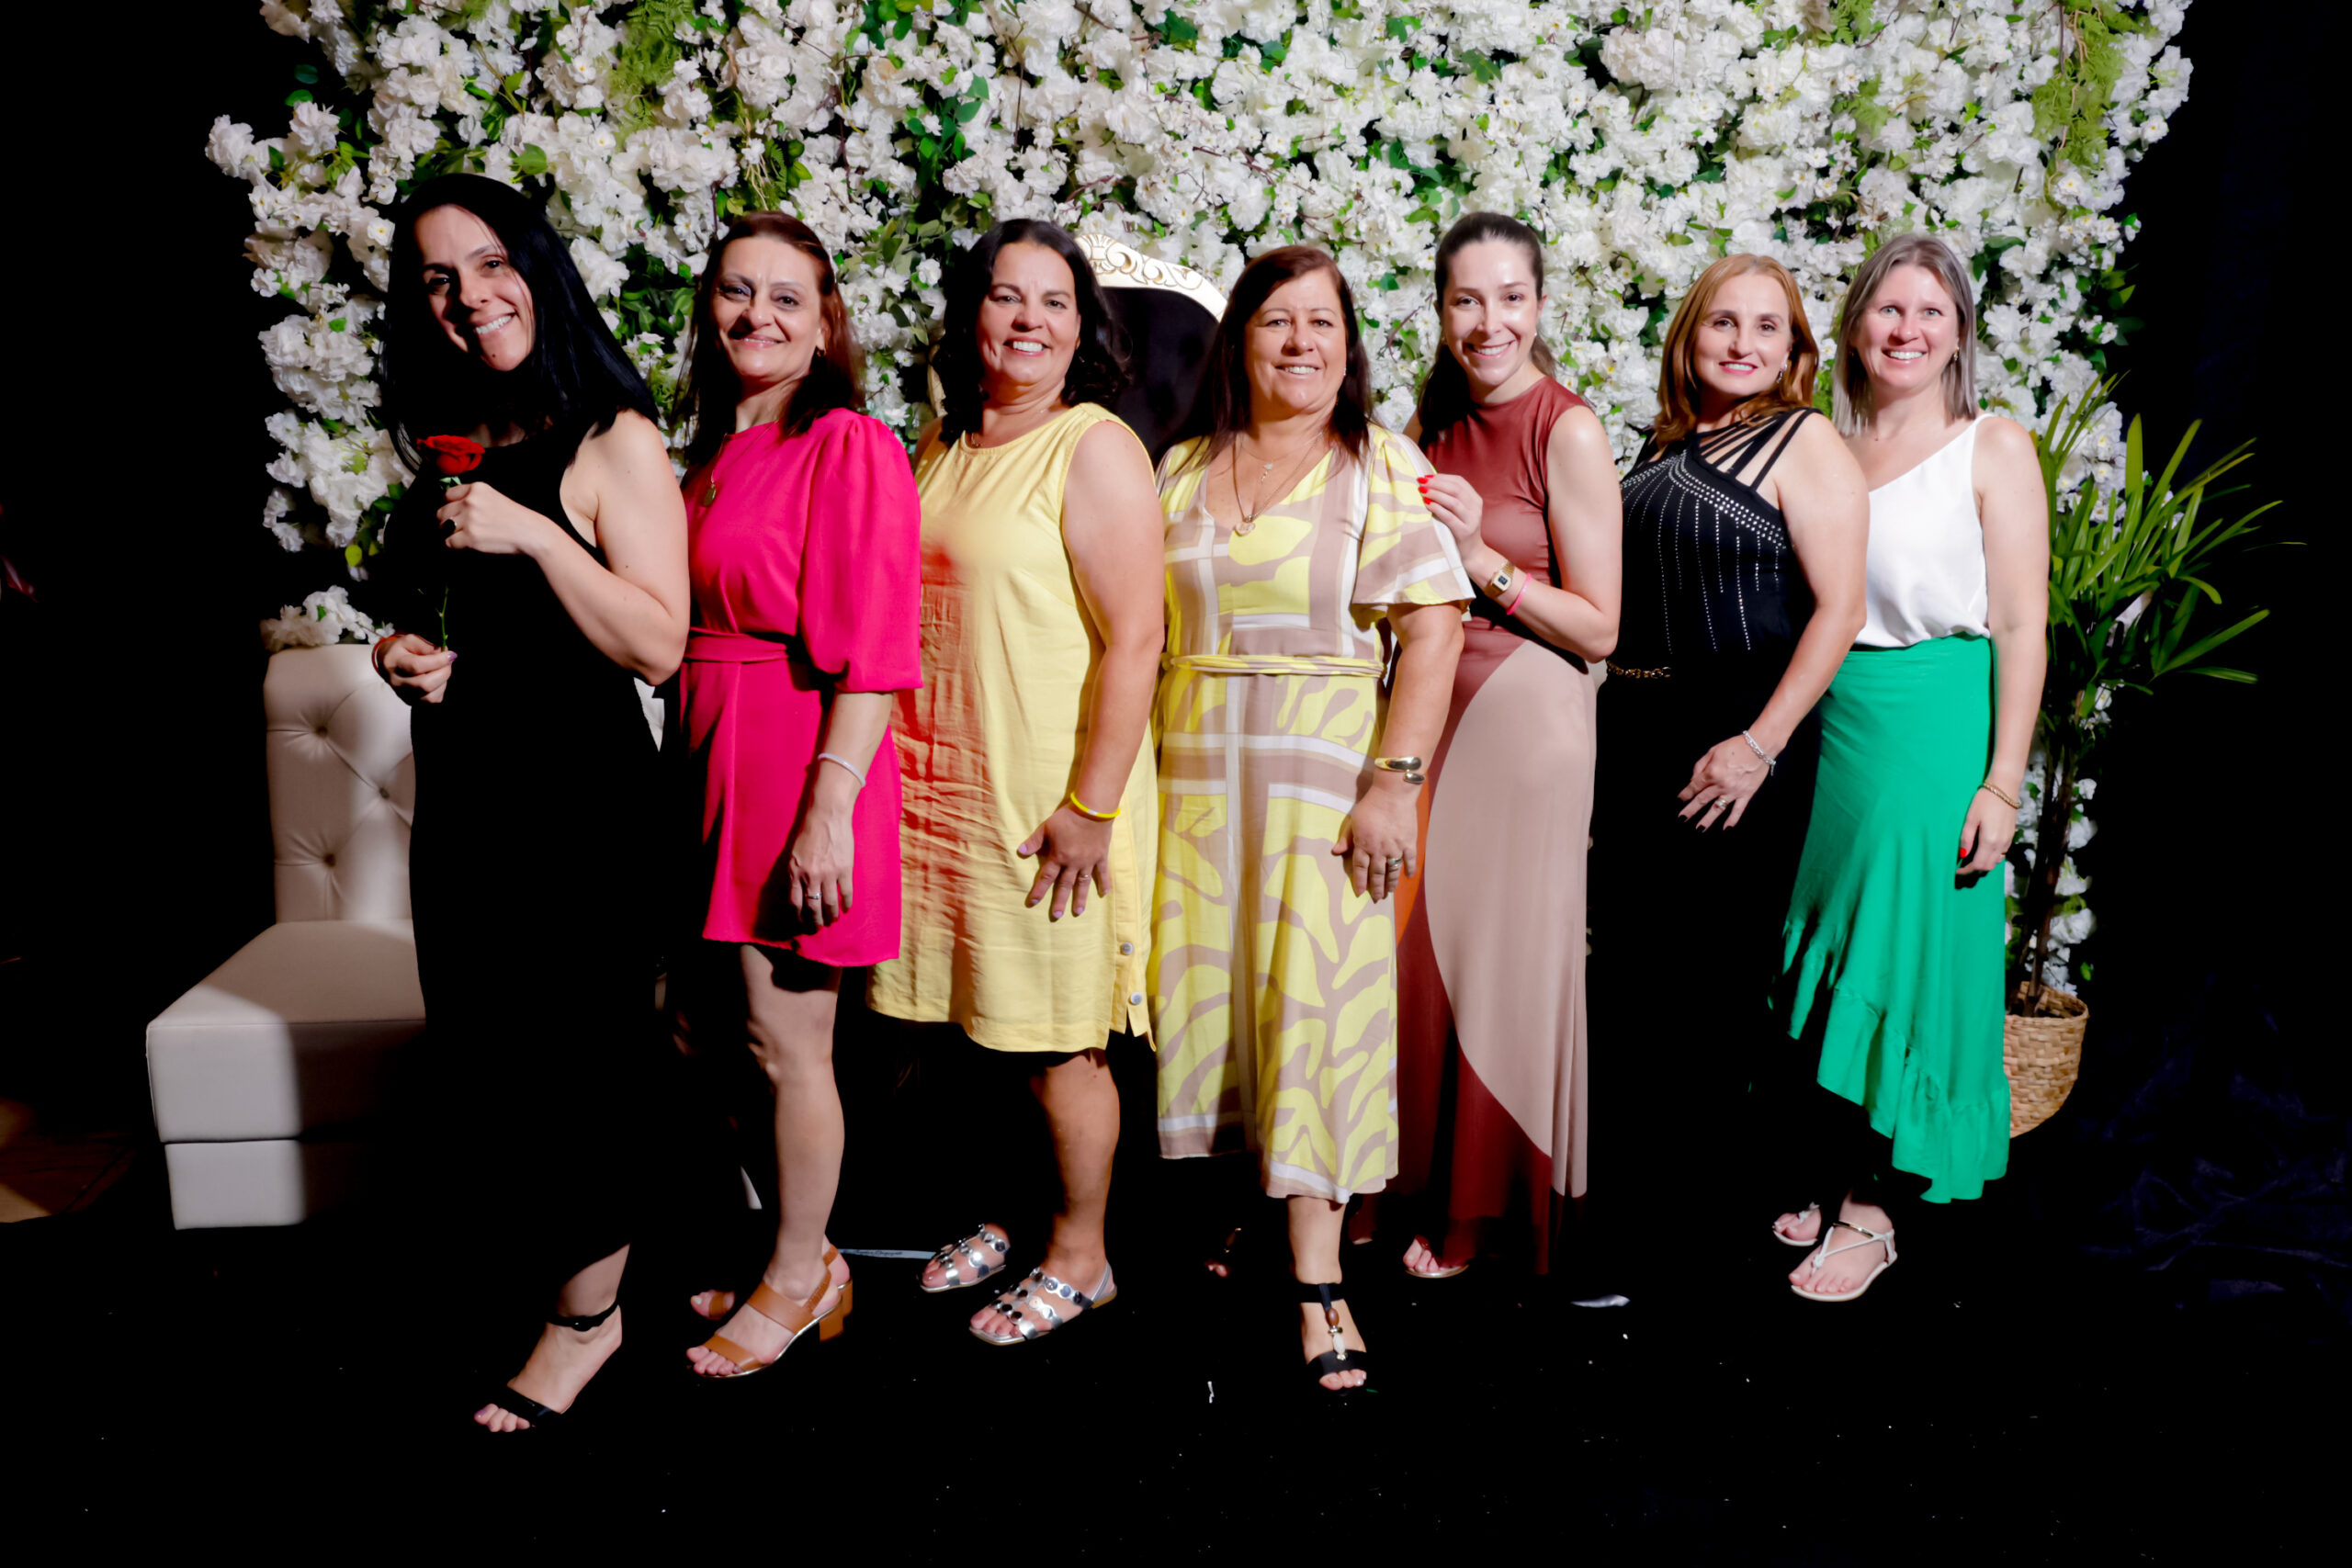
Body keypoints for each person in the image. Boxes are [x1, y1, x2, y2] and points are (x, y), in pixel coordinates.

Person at [368, 174, 689, 1431]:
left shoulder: (613, 438)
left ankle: (587, 1322)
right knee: (492, 1059)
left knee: (576, 1068)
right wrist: (398, 656)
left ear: (536, 268)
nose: (468, 297)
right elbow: (429, 615)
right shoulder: (457, 443)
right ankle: (568, 1281)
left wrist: (543, 536)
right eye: (438, 280)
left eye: (490, 264)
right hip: (467, 807)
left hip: (581, 815)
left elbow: (658, 645)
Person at [1150, 244, 1471, 1392]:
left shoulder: (1378, 462)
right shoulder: (1181, 466)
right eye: (1276, 321)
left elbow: (1431, 629)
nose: (1299, 343)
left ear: (1349, 344)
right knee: (1221, 1007)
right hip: (1189, 778)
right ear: (1238, 339)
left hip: (1324, 779)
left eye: (1321, 323)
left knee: (1320, 1010)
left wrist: (1394, 781)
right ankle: (1248, 1207)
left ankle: (1320, 1279)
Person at [866, 220, 1165, 1345]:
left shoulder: (1093, 446)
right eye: (1006, 296)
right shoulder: (941, 442)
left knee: (1055, 1041)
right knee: (975, 1023)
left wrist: (1090, 807)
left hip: (1049, 801)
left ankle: (1083, 1257)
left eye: (1054, 301)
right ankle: (1006, 1218)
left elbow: (1138, 638)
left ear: (1082, 329)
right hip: (942, 785)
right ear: (972, 314)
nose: (1028, 319)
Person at [665, 213, 922, 1375]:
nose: (756, 315)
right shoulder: (707, 458)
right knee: (718, 1036)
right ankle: (795, 1250)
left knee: (789, 1043)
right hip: (706, 748)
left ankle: (799, 1275)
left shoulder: (847, 445)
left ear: (826, 327)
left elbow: (876, 649)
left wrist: (828, 808)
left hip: (797, 751)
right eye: (736, 291)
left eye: (786, 297)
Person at [1769, 233, 2049, 1299]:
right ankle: (1823, 1154)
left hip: (1933, 722)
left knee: (1904, 946)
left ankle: (1875, 1208)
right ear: (1852, 329)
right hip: (1829, 719)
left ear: (1959, 335)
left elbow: (2020, 625)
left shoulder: (1992, 446)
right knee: (1828, 938)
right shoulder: (1821, 449)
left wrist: (2001, 781)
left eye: (1930, 312)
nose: (1906, 330)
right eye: (1888, 309)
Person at [1584, 254, 1868, 1299]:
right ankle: (1620, 1215)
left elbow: (1839, 608)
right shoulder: (1662, 446)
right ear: (1688, 336)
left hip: (1736, 745)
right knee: (1630, 985)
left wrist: (1760, 743)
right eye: (1722, 323)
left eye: (1766, 326)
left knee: (1702, 994)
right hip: (1640, 736)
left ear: (1794, 350)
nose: (1742, 344)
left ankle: (1675, 1244)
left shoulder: (1804, 440)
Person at [1357, 211, 1623, 1280]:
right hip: (1428, 708)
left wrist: (1480, 560)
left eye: (1510, 298)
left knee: (1502, 962)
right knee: (1410, 958)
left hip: (1526, 718)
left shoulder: (1569, 429)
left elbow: (1600, 627)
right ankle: (1394, 1183)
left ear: (1539, 304)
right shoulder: (1426, 420)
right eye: (1466, 299)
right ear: (1439, 310)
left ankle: (1481, 1209)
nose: (1488, 321)